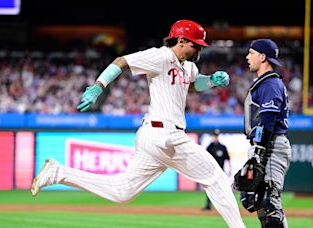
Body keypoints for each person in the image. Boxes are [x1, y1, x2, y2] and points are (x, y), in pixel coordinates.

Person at [30, 19, 246, 228]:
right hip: (165, 135)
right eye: (195, 44)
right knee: (215, 177)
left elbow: (190, 85)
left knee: (121, 192)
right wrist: (98, 86)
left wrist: (210, 81)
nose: (199, 49)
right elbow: (121, 62)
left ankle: (58, 173)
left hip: (156, 138)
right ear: (180, 41)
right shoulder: (160, 56)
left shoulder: (187, 66)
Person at [233, 39, 291, 228]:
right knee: (263, 206)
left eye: (251, 53)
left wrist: (259, 151)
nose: (248, 57)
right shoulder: (265, 83)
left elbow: (267, 120)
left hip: (271, 146)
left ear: (263, 56)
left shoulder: (270, 83)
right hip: (267, 146)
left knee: (270, 204)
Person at [202, 128, 230, 211]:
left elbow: (228, 159)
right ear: (212, 136)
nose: (215, 137)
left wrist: (230, 169)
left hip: (221, 172)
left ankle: (224, 206)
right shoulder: (209, 147)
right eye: (214, 136)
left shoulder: (223, 147)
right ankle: (208, 205)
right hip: (212, 172)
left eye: (216, 136)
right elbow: (205, 160)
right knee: (210, 188)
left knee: (222, 189)